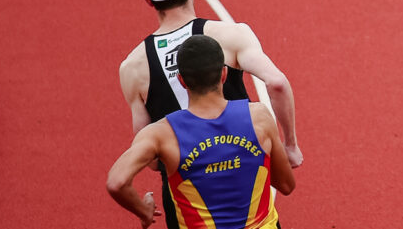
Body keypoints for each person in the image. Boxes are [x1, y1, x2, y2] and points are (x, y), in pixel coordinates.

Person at [117, 0, 301, 229]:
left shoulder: (133, 67)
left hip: (187, 201)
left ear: (147, 0)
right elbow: (276, 83)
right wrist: (290, 145)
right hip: (245, 180)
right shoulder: (230, 35)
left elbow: (152, 161)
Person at [107, 35, 294, 229]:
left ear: (181, 81)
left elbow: (116, 182)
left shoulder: (160, 134)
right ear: (223, 74)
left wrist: (143, 210)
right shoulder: (258, 117)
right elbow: (286, 185)